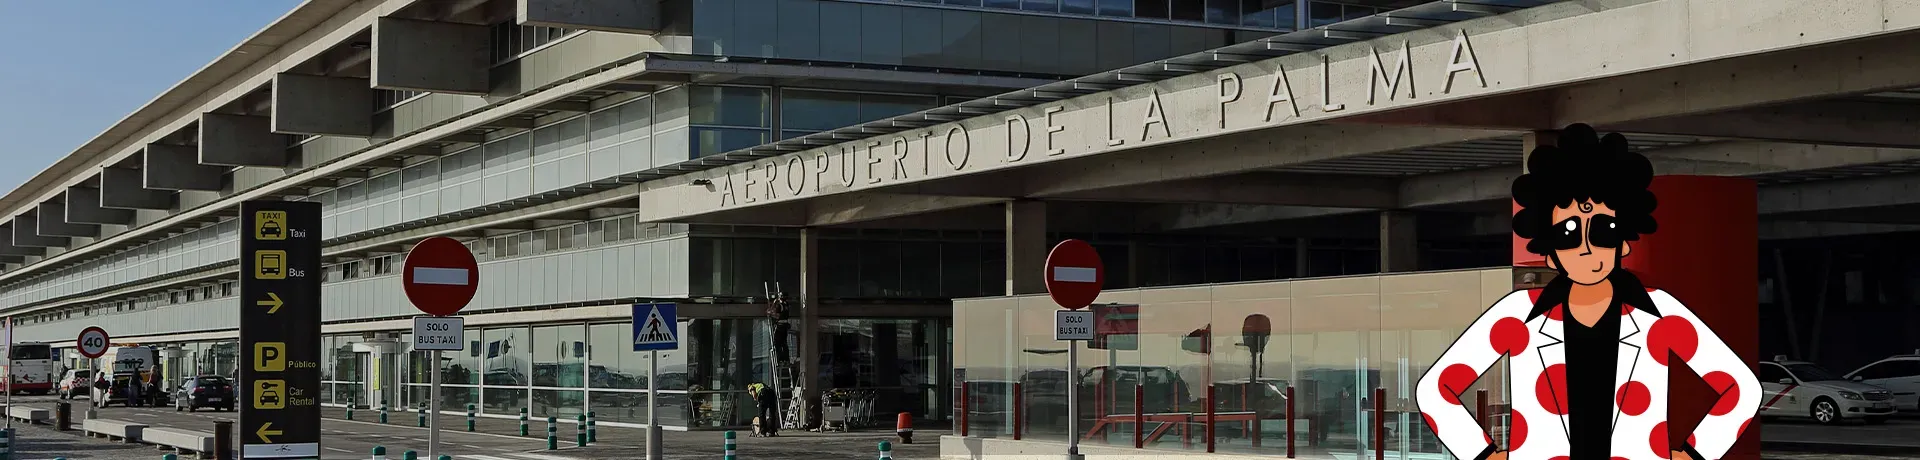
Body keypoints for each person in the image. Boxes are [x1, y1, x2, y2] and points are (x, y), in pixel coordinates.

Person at [1415, 124, 1761, 460]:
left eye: (1603, 231)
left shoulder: (1659, 314)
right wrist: (1484, 454)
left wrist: (1695, 454)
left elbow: (1742, 389)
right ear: (1549, 252)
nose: (1586, 247)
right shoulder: (1518, 314)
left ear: (1624, 243)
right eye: (1567, 234)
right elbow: (1435, 391)